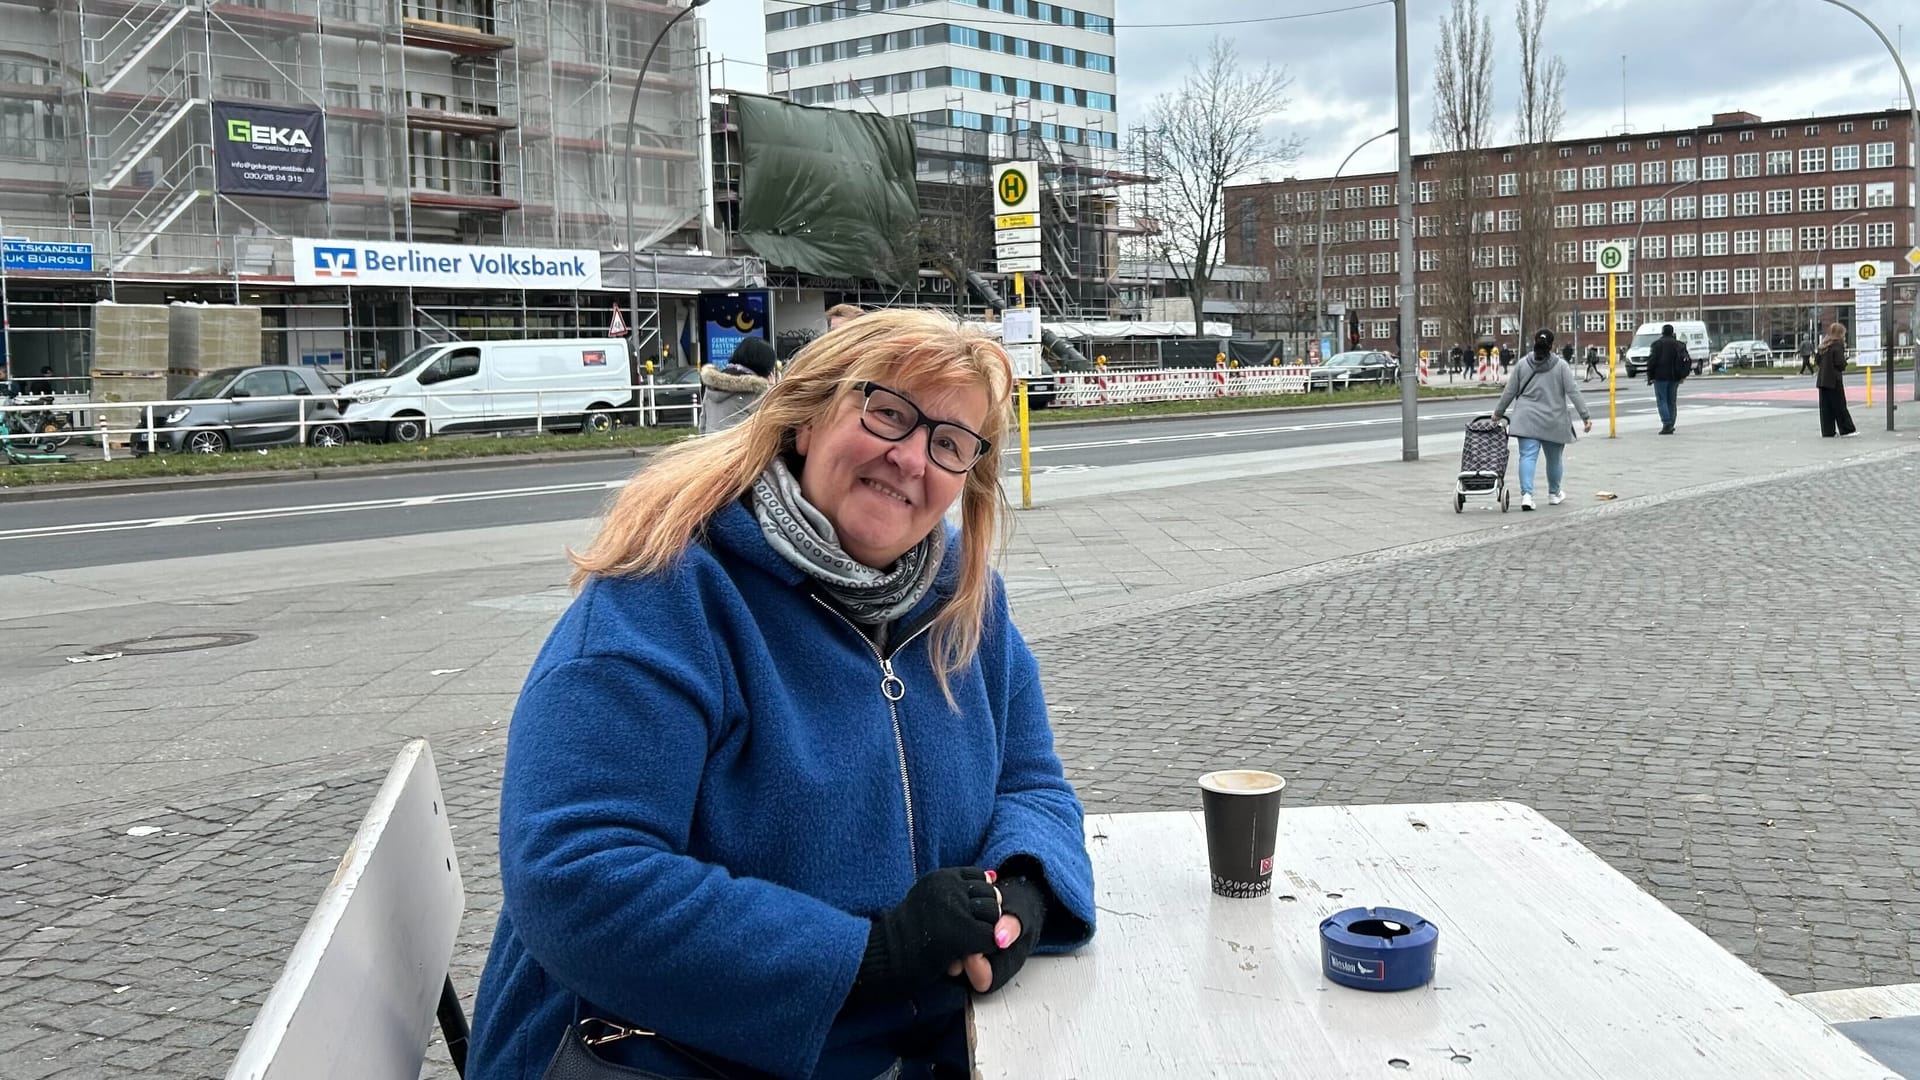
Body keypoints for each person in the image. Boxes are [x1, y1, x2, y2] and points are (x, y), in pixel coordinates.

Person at [469, 309, 1096, 1080]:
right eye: (889, 412)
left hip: (908, 1045)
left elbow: (1031, 783)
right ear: (805, 420)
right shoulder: (664, 595)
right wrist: (870, 955)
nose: (910, 458)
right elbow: (575, 874)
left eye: (949, 443)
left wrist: (1022, 893)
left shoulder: (963, 598)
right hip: (659, 1054)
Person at [1493, 328, 1592, 511]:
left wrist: (1498, 413)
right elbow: (1573, 391)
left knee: (1527, 457)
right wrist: (1585, 416)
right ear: (1552, 346)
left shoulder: (1522, 364)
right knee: (1554, 459)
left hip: (1526, 419)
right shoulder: (1561, 366)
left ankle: (1527, 496)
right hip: (1553, 420)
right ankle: (1554, 494)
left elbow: (1510, 391)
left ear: (1534, 342)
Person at [697, 334, 776, 434]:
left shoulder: (713, 385)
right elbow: (770, 428)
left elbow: (703, 426)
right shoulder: (755, 391)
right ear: (765, 365)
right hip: (741, 448)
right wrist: (772, 390)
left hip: (712, 447)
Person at [1815, 320, 1858, 438]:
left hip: (1822, 381)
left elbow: (1817, 361)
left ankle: (1827, 431)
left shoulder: (1823, 346)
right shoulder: (1837, 345)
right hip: (1834, 381)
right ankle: (1847, 429)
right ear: (1840, 333)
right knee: (1840, 406)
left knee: (1826, 408)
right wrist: (1845, 361)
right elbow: (1840, 364)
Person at [1645, 324, 1690, 435]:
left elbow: (1652, 361)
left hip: (1660, 376)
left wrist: (1650, 377)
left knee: (1662, 400)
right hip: (1675, 376)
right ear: (1672, 332)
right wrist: (1683, 375)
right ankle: (1671, 423)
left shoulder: (1657, 344)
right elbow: (1687, 360)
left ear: (1662, 332)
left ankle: (1667, 424)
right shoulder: (1680, 345)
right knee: (1672, 401)